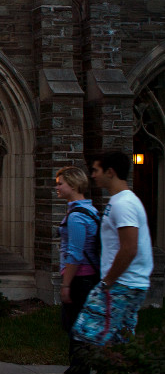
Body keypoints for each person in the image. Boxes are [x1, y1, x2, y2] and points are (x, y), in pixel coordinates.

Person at [72, 151, 154, 351]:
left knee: (87, 336)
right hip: (128, 283)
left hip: (121, 284)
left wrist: (107, 282)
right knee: (119, 344)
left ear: (110, 172)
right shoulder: (119, 201)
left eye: (96, 170)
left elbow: (129, 248)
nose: (92, 175)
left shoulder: (124, 204)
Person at [55, 165, 99, 374]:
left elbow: (75, 253)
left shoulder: (77, 216)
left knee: (76, 328)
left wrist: (66, 284)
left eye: (60, 183)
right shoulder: (90, 210)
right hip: (87, 279)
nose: (57, 188)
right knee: (81, 327)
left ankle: (79, 368)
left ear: (73, 185)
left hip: (80, 280)